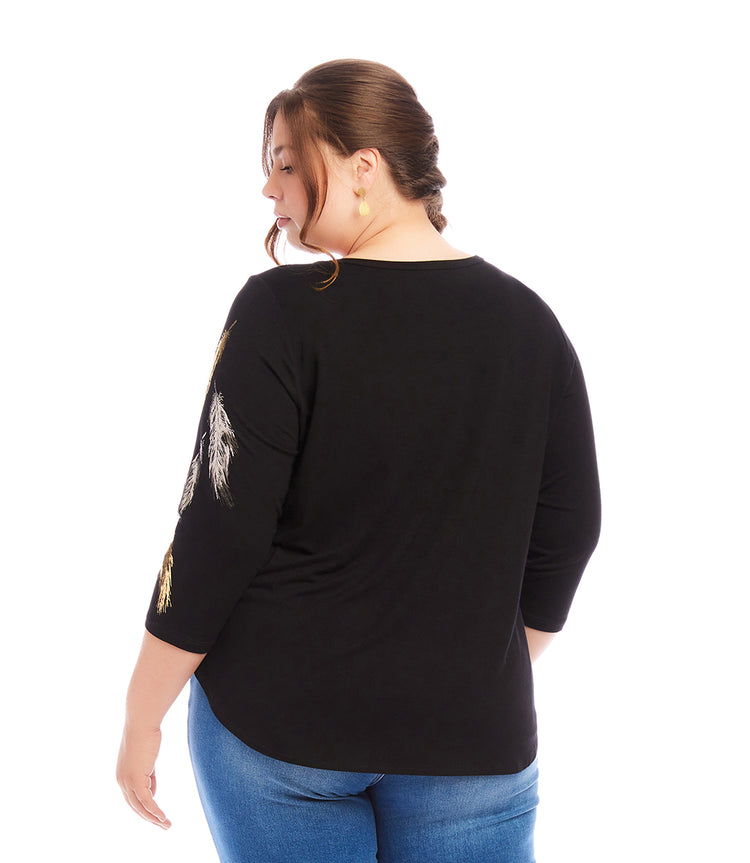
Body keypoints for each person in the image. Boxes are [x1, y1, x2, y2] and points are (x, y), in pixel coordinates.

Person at [116, 59, 601, 863]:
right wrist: (477, 666)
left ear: (363, 165)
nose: (269, 188)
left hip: (280, 729)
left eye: (285, 163)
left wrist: (142, 713)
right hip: (471, 737)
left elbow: (218, 532)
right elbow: (571, 527)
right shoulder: (529, 323)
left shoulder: (281, 313)